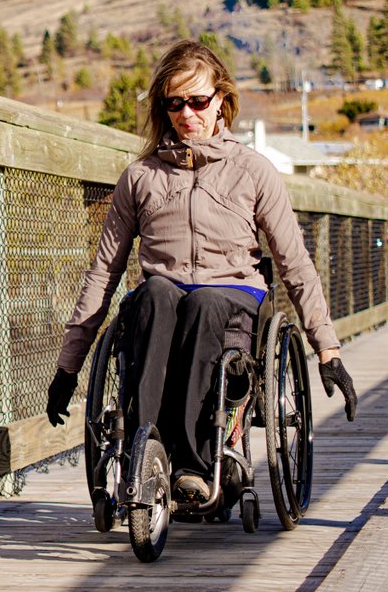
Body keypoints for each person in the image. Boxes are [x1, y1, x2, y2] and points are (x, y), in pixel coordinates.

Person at [45, 40, 357, 503]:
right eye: (175, 103)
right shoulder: (140, 177)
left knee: (206, 302)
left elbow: (295, 263)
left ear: (220, 101)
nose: (187, 113)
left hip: (230, 297)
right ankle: (143, 449)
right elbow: (103, 272)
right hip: (162, 297)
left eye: (197, 101)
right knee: (154, 294)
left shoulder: (253, 171)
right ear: (162, 107)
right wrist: (68, 367)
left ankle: (193, 464)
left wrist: (327, 349)